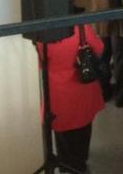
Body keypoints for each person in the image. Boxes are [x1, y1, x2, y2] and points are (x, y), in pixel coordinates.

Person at [36, 25, 105, 173]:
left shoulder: (42, 36)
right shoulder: (81, 27)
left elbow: (40, 64)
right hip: (83, 87)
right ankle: (81, 159)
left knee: (63, 133)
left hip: (58, 93)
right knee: (84, 125)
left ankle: (67, 165)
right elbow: (99, 47)